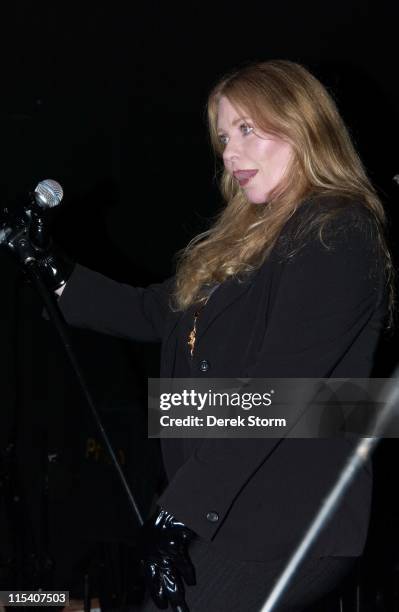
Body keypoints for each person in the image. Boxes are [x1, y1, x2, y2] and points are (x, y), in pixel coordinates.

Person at [43, 60, 393, 611]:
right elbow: (154, 310)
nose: (229, 154)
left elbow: (277, 392)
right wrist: (53, 272)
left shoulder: (336, 230)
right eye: (224, 138)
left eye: (247, 129)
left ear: (301, 121)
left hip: (286, 521)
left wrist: (180, 511)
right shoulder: (247, 241)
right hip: (230, 508)